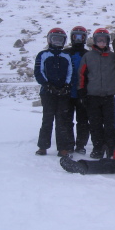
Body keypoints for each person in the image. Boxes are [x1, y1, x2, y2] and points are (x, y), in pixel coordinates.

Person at [78, 28, 115, 159]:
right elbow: (81, 75)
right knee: (95, 124)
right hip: (93, 96)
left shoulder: (113, 57)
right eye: (99, 39)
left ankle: (111, 148)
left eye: (104, 40)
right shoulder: (88, 56)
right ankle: (98, 148)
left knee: (110, 124)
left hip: (108, 96)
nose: (102, 42)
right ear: (95, 41)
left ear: (108, 41)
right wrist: (82, 92)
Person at [34, 28, 73, 157]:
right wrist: (47, 85)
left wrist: (66, 85)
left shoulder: (66, 56)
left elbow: (70, 72)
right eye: (54, 39)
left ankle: (63, 148)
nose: (57, 42)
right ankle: (43, 146)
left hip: (62, 93)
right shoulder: (43, 55)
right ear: (49, 39)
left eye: (60, 39)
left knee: (62, 121)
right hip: (47, 92)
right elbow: (38, 72)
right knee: (47, 119)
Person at [64, 26, 89, 154]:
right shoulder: (66, 52)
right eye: (76, 36)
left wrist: (86, 90)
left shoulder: (88, 54)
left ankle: (81, 145)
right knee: (67, 120)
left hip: (82, 93)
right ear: (72, 37)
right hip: (67, 93)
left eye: (81, 36)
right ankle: (68, 144)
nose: (78, 39)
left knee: (83, 121)